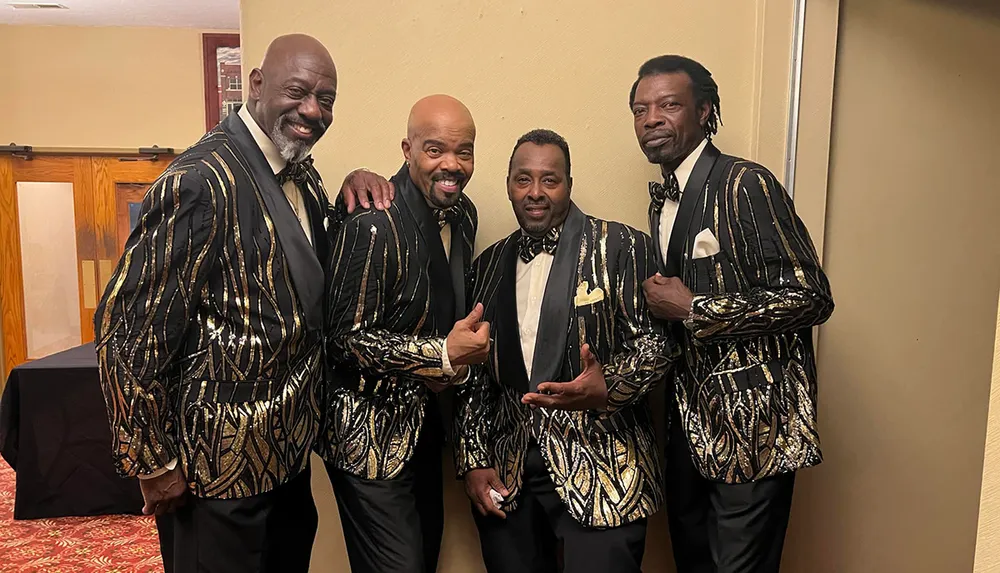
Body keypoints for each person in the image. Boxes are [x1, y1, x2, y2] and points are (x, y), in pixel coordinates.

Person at [93, 34, 354, 572]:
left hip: (287, 464)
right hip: (214, 479)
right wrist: (153, 461)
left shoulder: (303, 173)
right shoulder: (199, 180)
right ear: (255, 85)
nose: (312, 110)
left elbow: (302, 284)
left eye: (325, 98)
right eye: (298, 91)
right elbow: (127, 333)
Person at [631, 55, 835, 573]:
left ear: (704, 112)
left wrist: (696, 308)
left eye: (668, 105)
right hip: (688, 431)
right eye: (640, 109)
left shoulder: (747, 184)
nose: (651, 118)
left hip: (755, 432)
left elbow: (811, 295)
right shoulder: (661, 202)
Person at [453, 129, 675, 573]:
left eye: (549, 180)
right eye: (522, 180)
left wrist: (609, 384)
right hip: (509, 476)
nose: (535, 193)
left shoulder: (622, 247)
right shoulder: (488, 264)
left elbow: (660, 345)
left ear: (568, 183)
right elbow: (475, 378)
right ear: (508, 185)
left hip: (604, 469)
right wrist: (473, 460)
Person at [318, 94, 491, 573]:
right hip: (369, 438)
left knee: (424, 558)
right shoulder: (373, 222)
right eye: (435, 150)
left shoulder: (465, 214)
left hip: (427, 430)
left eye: (465, 151)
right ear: (407, 150)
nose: (452, 165)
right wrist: (439, 354)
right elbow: (345, 339)